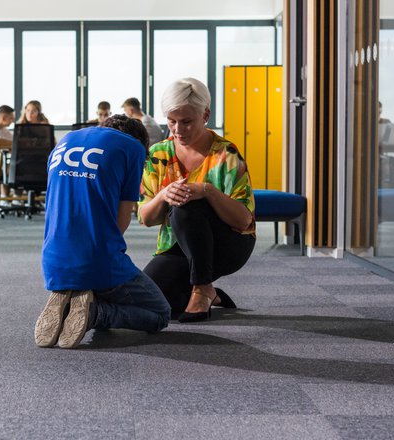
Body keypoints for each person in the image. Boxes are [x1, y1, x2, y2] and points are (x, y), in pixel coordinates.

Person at [35, 115, 171, 349]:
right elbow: (121, 221)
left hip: (52, 260)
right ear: (141, 141)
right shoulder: (133, 148)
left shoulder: (65, 140)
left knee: (94, 273)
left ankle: (74, 292)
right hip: (97, 259)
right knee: (160, 313)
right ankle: (95, 313)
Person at [138, 78, 256, 323]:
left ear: (205, 115)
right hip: (179, 245)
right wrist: (162, 195)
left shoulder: (226, 153)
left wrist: (207, 191)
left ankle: (202, 288)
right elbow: (146, 218)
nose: (178, 130)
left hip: (228, 244)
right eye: (172, 121)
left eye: (187, 122)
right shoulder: (158, 154)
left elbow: (244, 220)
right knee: (150, 301)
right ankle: (211, 294)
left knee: (188, 203)